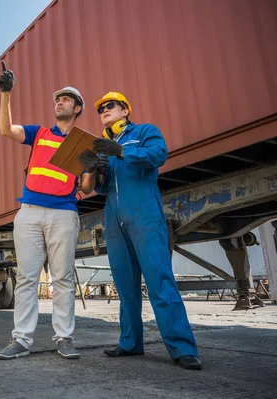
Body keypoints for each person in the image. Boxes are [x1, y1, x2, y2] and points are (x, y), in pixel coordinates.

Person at [78, 91, 203, 370]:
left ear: (125, 110)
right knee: (125, 284)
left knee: (159, 278)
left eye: (110, 106)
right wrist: (91, 168)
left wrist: (121, 150)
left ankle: (182, 348)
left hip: (144, 213)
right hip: (114, 217)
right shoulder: (103, 148)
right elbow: (96, 188)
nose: (104, 110)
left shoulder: (145, 131)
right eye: (101, 109)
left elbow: (158, 155)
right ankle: (130, 342)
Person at [0, 61, 95, 360]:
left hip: (63, 214)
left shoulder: (82, 142)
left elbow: (88, 188)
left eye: (65, 99)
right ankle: (21, 340)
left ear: (77, 108)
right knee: (26, 277)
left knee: (62, 278)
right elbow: (5, 130)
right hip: (29, 212)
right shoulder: (39, 134)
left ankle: (64, 338)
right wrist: (6, 94)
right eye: (57, 99)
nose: (58, 102)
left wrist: (91, 167)